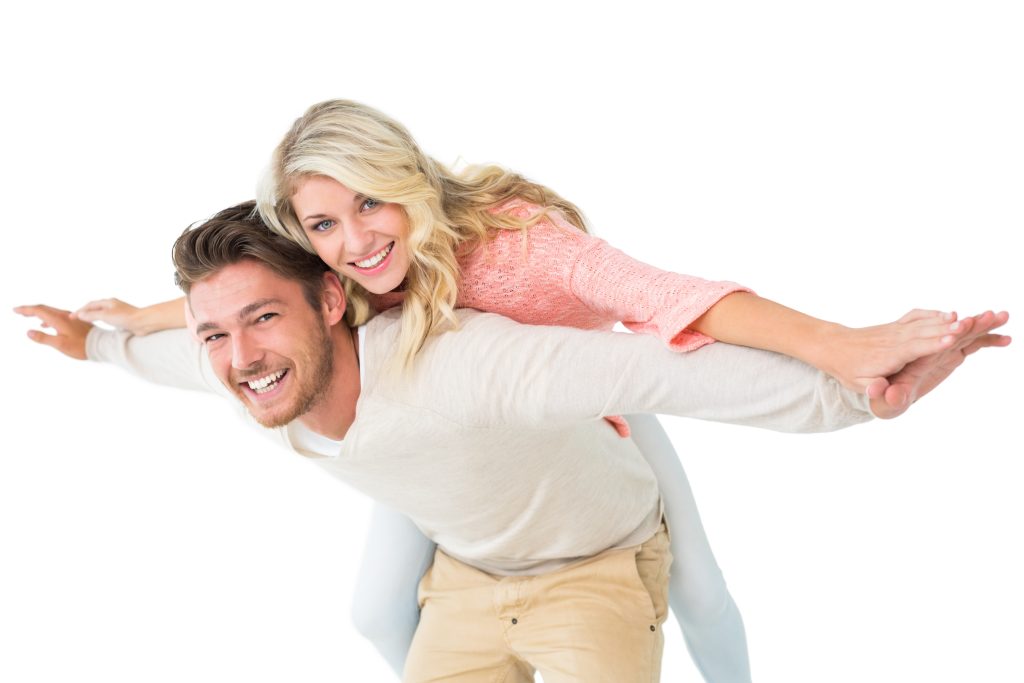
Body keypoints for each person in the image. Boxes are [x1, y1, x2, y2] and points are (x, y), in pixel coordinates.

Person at [73, 100, 979, 683]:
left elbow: (664, 316)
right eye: (324, 225)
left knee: (697, 586)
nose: (353, 240)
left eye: (369, 206)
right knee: (374, 609)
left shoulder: (516, 250)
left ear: (409, 183)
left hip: (583, 406)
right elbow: (236, 308)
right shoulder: (316, 284)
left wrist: (845, 353)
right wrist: (114, 334)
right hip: (435, 449)